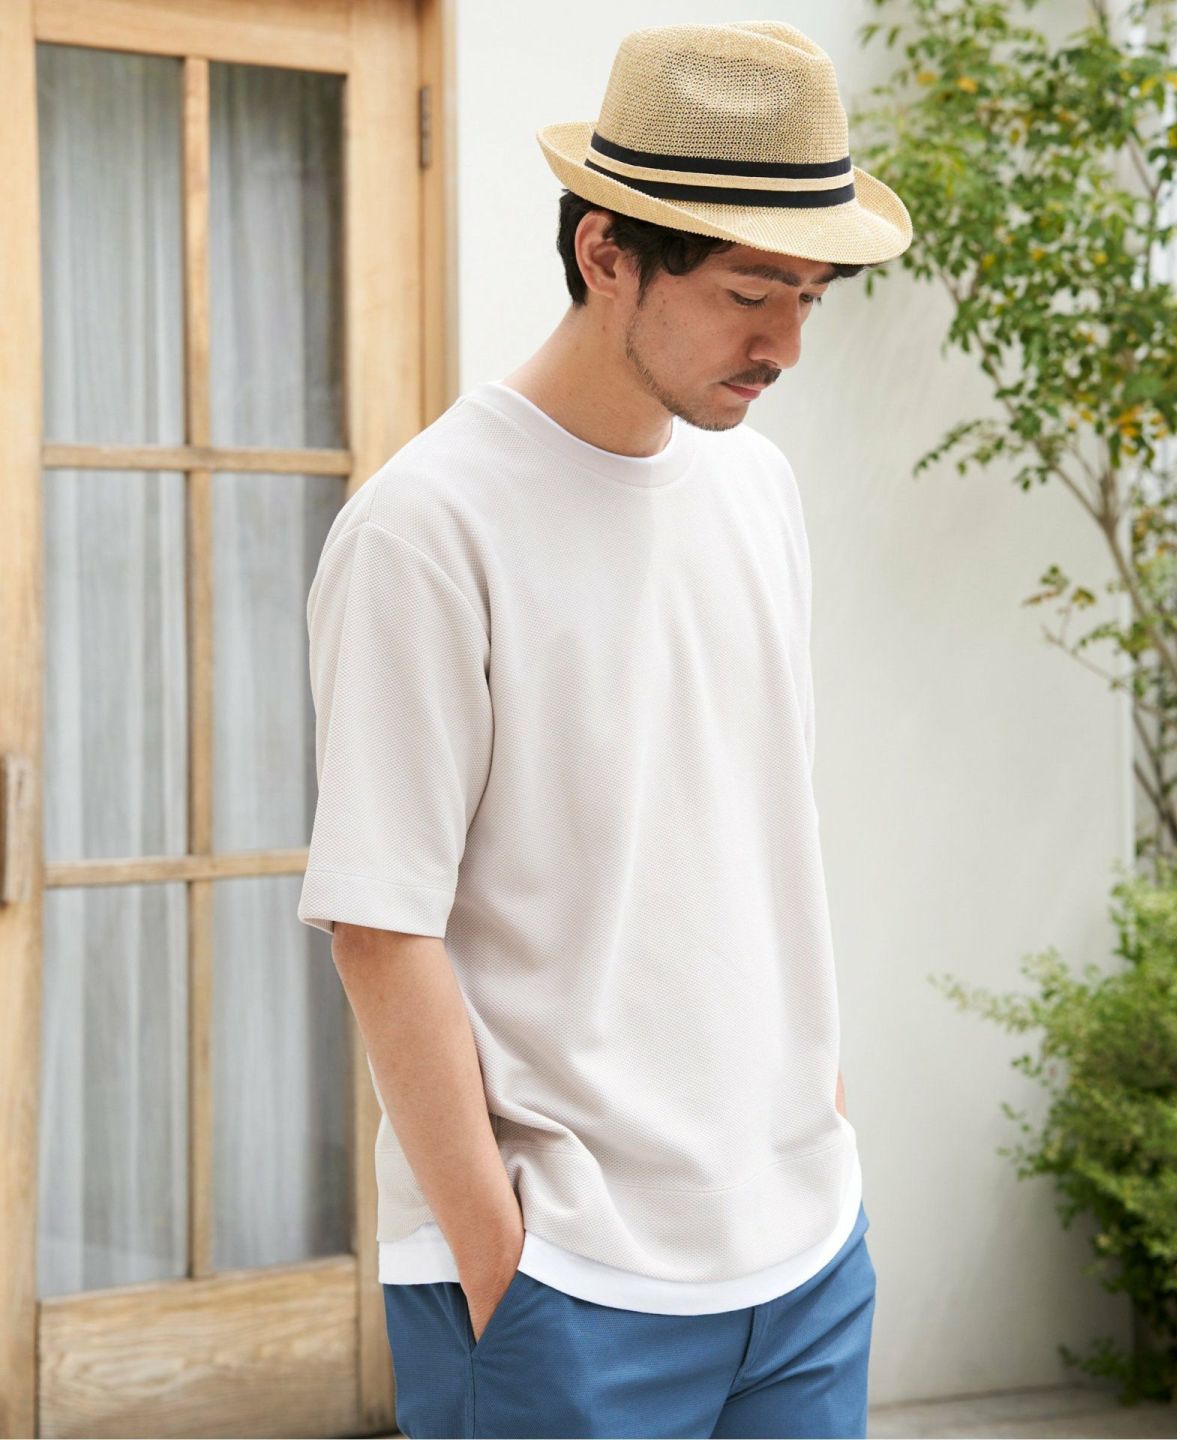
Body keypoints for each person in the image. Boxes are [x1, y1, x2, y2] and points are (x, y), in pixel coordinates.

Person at [297, 19, 911, 1439]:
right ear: (606, 253)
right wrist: (504, 1268)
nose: (786, 344)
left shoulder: (756, 492)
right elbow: (382, 925)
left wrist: (818, 1134)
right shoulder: (426, 529)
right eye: (751, 291)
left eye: (810, 297)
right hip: (563, 1284)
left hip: (804, 1256)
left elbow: (763, 828)